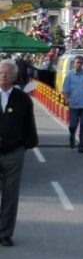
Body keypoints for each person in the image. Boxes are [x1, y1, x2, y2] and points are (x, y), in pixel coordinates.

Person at [0, 60, 39, 246]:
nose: (3, 76)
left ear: (15, 76)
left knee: (10, 194)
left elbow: (29, 125)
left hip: (14, 152)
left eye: (7, 73)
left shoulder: (23, 99)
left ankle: (5, 232)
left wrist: (26, 145)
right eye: (1, 72)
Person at [62, 55, 83, 153]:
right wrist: (66, 100)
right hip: (73, 104)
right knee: (72, 125)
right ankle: (72, 136)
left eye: (81, 63)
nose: (79, 64)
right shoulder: (69, 75)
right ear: (74, 63)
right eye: (77, 62)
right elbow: (65, 90)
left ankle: (81, 145)